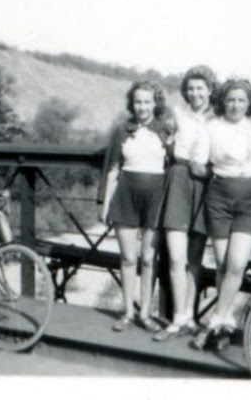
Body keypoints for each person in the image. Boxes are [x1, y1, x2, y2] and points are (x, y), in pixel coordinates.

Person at [191, 79, 251, 349]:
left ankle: (215, 319)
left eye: (241, 101)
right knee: (223, 264)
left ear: (249, 103)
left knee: (236, 265)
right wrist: (216, 172)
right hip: (219, 197)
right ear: (223, 101)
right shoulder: (211, 127)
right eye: (231, 100)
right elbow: (197, 164)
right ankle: (225, 322)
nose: (236, 105)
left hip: (249, 198)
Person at [98, 80, 174, 332]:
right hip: (125, 197)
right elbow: (111, 169)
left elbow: (175, 167)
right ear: (132, 103)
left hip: (156, 198)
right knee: (129, 257)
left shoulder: (166, 131)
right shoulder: (122, 131)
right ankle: (128, 311)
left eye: (147, 102)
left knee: (149, 258)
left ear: (156, 103)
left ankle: (146, 313)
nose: (142, 107)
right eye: (138, 102)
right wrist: (105, 204)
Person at [153, 66, 218, 342]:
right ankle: (178, 318)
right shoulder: (177, 115)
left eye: (200, 88)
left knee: (194, 259)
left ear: (210, 90)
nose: (195, 93)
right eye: (190, 88)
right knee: (176, 256)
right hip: (179, 180)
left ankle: (189, 317)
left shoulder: (219, 118)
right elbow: (160, 137)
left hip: (206, 185)